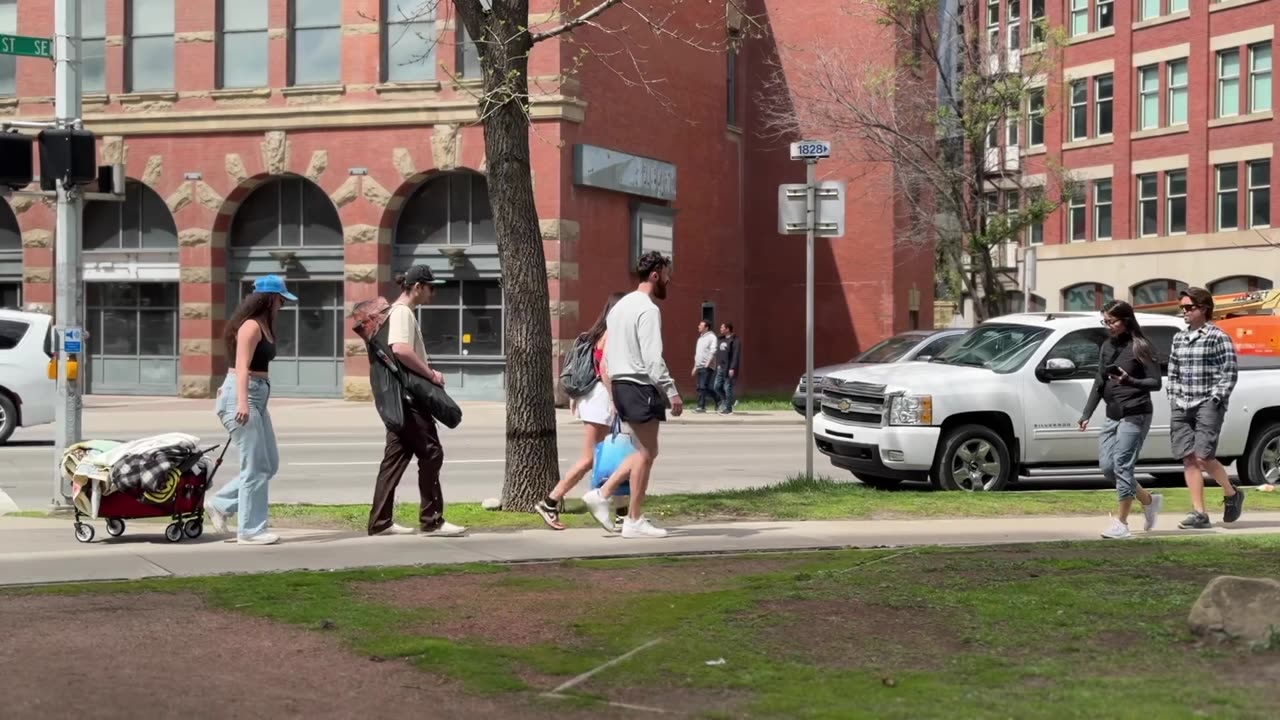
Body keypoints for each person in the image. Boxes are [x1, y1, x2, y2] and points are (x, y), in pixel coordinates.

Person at [582, 251, 681, 538]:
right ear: (655, 274)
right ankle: (632, 518)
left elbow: (608, 358)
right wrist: (671, 391)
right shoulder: (648, 309)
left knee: (643, 452)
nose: (668, 279)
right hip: (639, 385)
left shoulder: (619, 307)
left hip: (622, 386)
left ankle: (606, 496)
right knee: (648, 452)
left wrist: (614, 396)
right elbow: (652, 357)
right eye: (666, 274)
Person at [368, 265, 467, 538]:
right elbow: (400, 349)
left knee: (395, 459)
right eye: (430, 287)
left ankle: (380, 523)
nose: (432, 293)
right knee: (432, 453)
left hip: (399, 400)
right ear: (417, 287)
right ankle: (432, 520)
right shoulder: (401, 313)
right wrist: (430, 374)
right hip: (410, 400)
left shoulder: (397, 312)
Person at [205, 274, 295, 546]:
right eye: (281, 299)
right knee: (255, 466)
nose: (283, 304)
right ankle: (250, 530)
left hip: (256, 395)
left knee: (269, 464)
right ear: (269, 299)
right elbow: (241, 366)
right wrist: (242, 401)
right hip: (244, 396)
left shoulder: (264, 325)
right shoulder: (250, 327)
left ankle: (220, 503)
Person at [536, 292, 627, 530]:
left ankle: (622, 513)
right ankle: (549, 502)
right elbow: (605, 370)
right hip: (601, 400)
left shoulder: (599, 333)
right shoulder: (612, 334)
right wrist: (615, 399)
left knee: (612, 459)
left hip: (594, 399)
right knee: (591, 459)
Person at [1078, 300, 1164, 539]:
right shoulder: (1107, 346)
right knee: (1108, 468)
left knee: (1123, 465)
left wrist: (1130, 381)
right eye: (1105, 321)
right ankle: (1148, 500)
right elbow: (1099, 381)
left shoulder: (1141, 347)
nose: (1109, 326)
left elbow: (1155, 383)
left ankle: (1122, 523)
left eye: (1112, 321)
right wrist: (1086, 413)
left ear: (1126, 320)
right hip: (1112, 414)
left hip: (1136, 413)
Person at [1168, 287, 1243, 529]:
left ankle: (1231, 493)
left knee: (1203, 456)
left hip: (1207, 403)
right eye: (1182, 308)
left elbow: (1229, 372)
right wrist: (1173, 397)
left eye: (1189, 307)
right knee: (1188, 458)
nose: (1185, 312)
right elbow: (1173, 371)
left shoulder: (1217, 336)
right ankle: (1199, 513)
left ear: (1204, 308)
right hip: (1182, 403)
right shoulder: (1179, 337)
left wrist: (1215, 399)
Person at [691, 320, 718, 413]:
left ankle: (701, 407)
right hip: (699, 366)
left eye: (701, 325)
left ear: (706, 327)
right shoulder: (700, 338)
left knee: (702, 386)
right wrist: (695, 366)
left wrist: (708, 363)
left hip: (707, 366)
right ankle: (718, 399)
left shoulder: (712, 337)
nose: (698, 326)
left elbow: (713, 350)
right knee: (702, 387)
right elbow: (698, 354)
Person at [714, 322, 741, 414]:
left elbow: (735, 355)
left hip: (729, 368)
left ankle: (728, 409)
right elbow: (719, 354)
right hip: (720, 367)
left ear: (728, 329)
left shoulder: (735, 340)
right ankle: (730, 401)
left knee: (727, 387)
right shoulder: (721, 340)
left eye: (722, 327)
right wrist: (718, 364)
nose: (720, 329)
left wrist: (732, 368)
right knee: (717, 387)